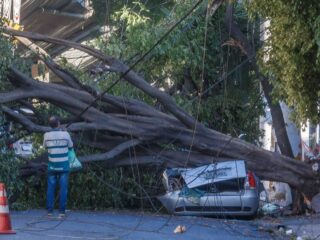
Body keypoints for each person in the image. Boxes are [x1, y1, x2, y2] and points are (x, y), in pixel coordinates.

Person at [43, 116, 73, 218]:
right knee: (63, 189)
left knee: (50, 189)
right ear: (59, 123)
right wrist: (64, 132)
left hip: (52, 166)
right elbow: (70, 146)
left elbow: (45, 146)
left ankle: (50, 212)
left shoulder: (46, 135)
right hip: (63, 166)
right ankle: (62, 212)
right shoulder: (65, 134)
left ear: (50, 125)